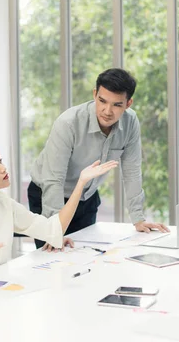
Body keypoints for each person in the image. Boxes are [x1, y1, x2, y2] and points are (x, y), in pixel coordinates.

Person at [0, 142, 117, 292]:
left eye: (0, 161)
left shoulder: (3, 203)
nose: (3, 169)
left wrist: (81, 182)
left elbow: (51, 228)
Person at [28, 68, 169, 251]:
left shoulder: (130, 122)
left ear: (128, 103)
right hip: (48, 197)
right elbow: (53, 180)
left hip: (86, 198)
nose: (107, 111)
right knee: (52, 259)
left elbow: (132, 170)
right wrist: (55, 231)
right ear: (95, 94)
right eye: (102, 101)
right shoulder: (68, 123)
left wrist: (138, 218)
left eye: (117, 105)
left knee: (87, 259)